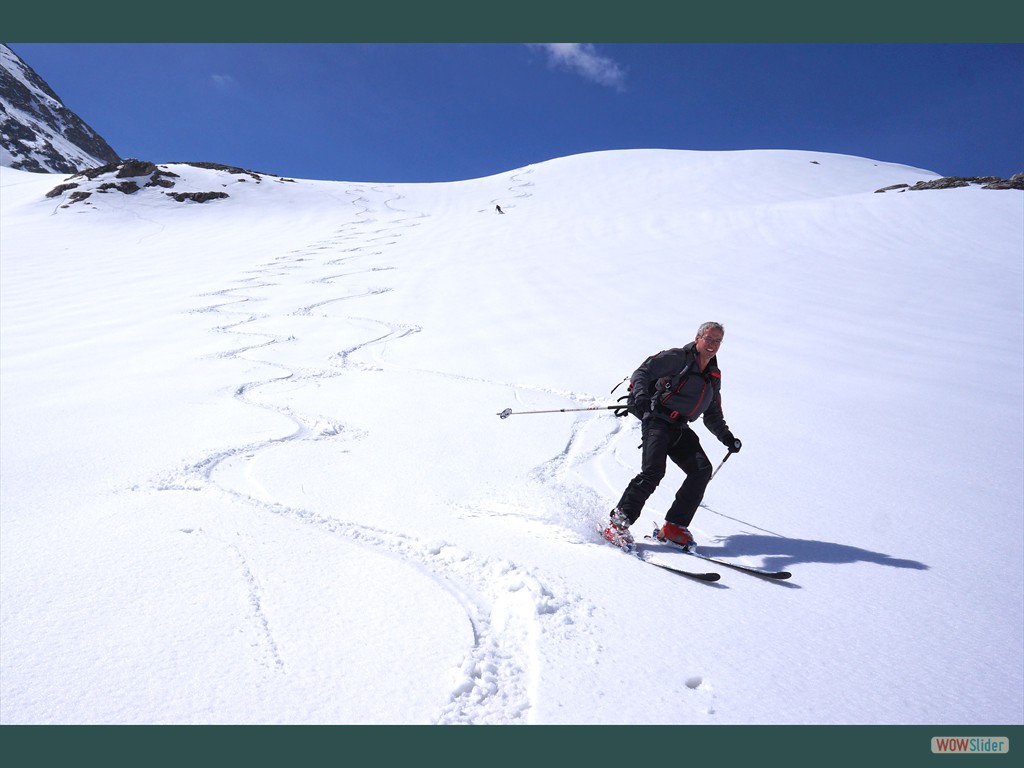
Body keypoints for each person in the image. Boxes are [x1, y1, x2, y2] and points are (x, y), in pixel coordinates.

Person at [603, 321, 742, 551]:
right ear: (698, 338)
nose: (713, 344)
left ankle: (674, 526)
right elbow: (642, 372)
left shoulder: (713, 375)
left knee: (701, 470)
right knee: (653, 471)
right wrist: (640, 396)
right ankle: (618, 524)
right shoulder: (678, 358)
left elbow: (713, 413)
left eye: (718, 341)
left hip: (679, 427)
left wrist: (726, 437)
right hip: (657, 420)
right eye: (709, 338)